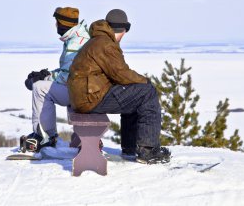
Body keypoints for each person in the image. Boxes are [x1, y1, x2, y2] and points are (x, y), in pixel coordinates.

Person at [67, 9, 171, 164]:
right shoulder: (106, 44)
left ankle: (131, 148)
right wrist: (145, 81)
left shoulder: (98, 40)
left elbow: (117, 75)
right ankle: (148, 151)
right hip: (91, 97)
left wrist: (137, 82)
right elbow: (121, 73)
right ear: (123, 30)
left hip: (86, 95)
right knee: (147, 92)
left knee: (134, 94)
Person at [22, 7, 90, 154]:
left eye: (57, 22)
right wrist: (47, 74)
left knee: (40, 88)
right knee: (43, 85)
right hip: (83, 88)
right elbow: (68, 70)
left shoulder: (76, 43)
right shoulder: (77, 37)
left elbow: (67, 77)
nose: (55, 26)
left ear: (63, 24)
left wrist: (42, 78)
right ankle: (51, 135)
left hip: (80, 91)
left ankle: (44, 136)